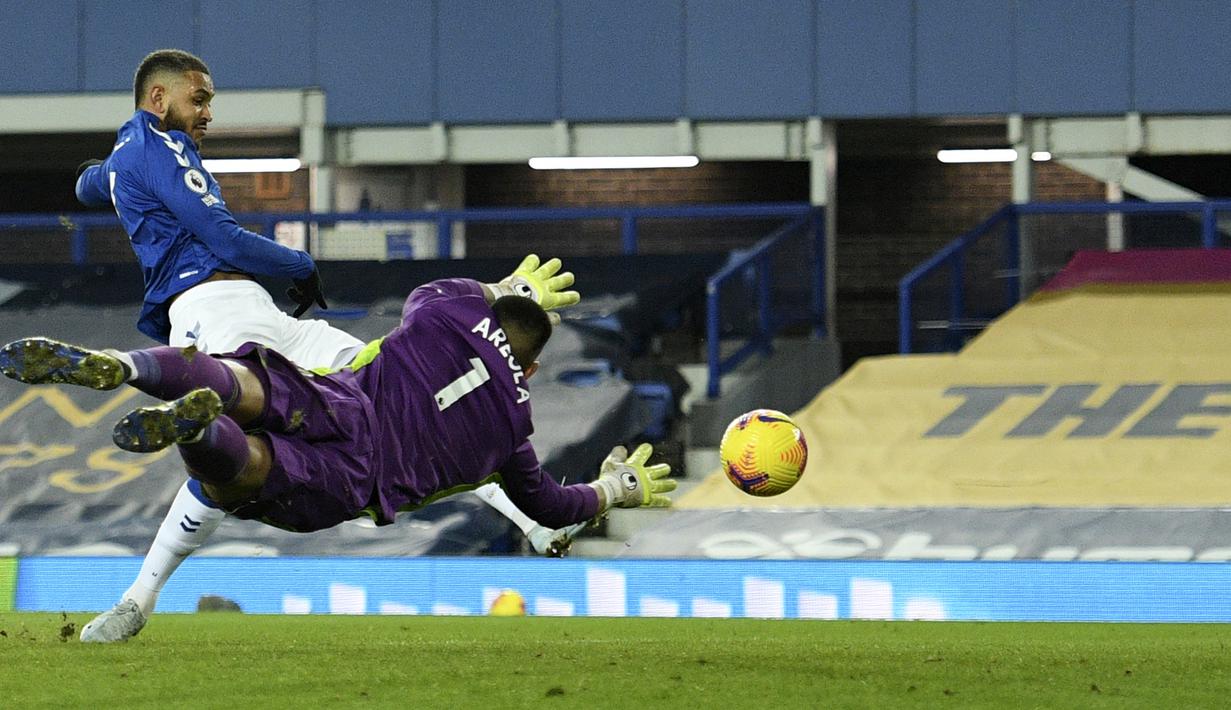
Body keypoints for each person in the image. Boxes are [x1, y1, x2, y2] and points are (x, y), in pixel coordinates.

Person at [70, 48, 586, 641]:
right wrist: (298, 263)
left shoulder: (135, 155)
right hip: (211, 313)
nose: (208, 112)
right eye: (199, 99)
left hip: (258, 312)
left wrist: (98, 174)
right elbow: (224, 239)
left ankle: (536, 524)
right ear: (158, 98)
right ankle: (138, 590)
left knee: (396, 398)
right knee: (225, 467)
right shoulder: (163, 150)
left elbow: (91, 186)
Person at [0, 279, 676, 614]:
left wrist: (499, 289)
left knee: (245, 381)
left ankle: (122, 366)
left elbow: (437, 291)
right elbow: (553, 506)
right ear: (532, 369)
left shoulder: (451, 313)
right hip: (356, 479)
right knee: (244, 473)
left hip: (345, 400)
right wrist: (615, 488)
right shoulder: (513, 436)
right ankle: (198, 430)